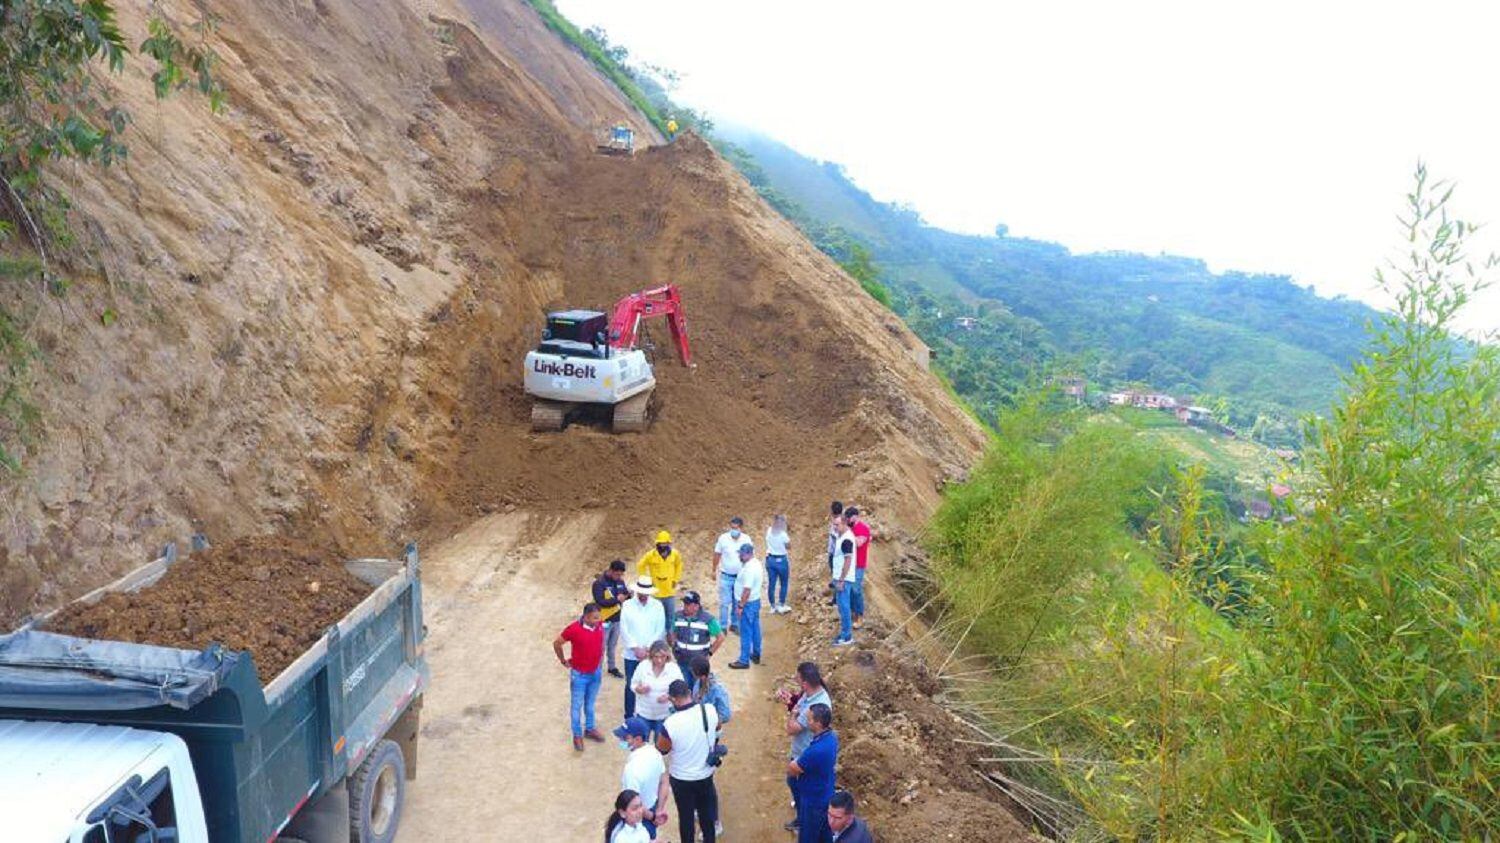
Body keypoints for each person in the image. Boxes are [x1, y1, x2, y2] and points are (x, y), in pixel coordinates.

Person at [658, 680, 720, 842]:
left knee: (686, 818)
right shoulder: (709, 710)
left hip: (681, 778)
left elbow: (662, 748)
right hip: (705, 774)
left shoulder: (671, 723)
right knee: (707, 817)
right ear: (689, 693)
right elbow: (718, 727)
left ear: (673, 699)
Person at [777, 661, 832, 831]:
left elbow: (792, 729)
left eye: (797, 678)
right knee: (797, 783)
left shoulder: (815, 705)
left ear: (806, 683)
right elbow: (800, 704)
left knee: (794, 780)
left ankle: (803, 820)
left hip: (805, 752)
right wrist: (791, 701)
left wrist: (792, 714)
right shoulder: (811, 693)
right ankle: (803, 810)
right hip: (804, 749)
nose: (795, 679)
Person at [553, 602, 607, 751]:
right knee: (576, 706)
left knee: (590, 704)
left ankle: (589, 729)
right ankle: (577, 735)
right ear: (586, 617)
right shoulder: (573, 629)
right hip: (580, 675)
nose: (598, 620)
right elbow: (557, 643)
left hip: (595, 672)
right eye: (595, 618)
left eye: (599, 617)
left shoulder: (599, 625)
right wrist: (563, 660)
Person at [788, 703, 839, 843]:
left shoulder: (816, 751)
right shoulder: (832, 737)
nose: (807, 721)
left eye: (809, 719)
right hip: (826, 794)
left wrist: (795, 761)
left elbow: (792, 770)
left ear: (818, 723)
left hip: (813, 800)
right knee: (824, 835)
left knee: (808, 836)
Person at [619, 575, 667, 718]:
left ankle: (646, 714)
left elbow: (660, 629)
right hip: (631, 653)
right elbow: (624, 628)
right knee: (631, 684)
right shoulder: (627, 605)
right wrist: (635, 648)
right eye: (641, 593)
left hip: (651, 654)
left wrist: (648, 649)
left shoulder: (657, 606)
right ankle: (629, 715)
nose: (644, 596)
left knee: (651, 683)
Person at [615, 716, 671, 838]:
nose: (621, 739)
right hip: (653, 807)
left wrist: (653, 817)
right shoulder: (655, 752)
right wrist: (659, 809)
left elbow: (631, 804)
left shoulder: (631, 770)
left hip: (640, 818)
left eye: (625, 737)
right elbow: (664, 782)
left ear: (638, 739)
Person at [631, 640, 684, 739]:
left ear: (667, 656)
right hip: (643, 713)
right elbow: (633, 684)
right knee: (642, 745)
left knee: (659, 747)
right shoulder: (643, 666)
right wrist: (639, 689)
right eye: (656, 656)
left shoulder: (673, 669)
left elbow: (681, 689)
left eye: (662, 657)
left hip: (664, 715)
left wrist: (669, 697)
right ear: (651, 655)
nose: (659, 660)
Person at [668, 591, 725, 678]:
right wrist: (674, 646)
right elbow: (673, 632)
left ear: (696, 606)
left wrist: (709, 654)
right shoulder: (678, 616)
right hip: (682, 661)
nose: (684, 607)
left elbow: (720, 637)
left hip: (699, 664)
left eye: (687, 604)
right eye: (684, 604)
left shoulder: (708, 620)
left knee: (698, 688)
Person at [711, 517, 751, 633]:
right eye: (732, 528)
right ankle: (723, 626)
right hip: (726, 576)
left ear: (741, 528)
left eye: (736, 528)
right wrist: (714, 570)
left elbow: (749, 557)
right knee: (724, 602)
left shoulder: (746, 539)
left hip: (740, 577)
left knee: (737, 601)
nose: (734, 530)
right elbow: (717, 554)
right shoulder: (723, 539)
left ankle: (735, 624)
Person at [728, 543, 764, 669]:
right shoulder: (755, 563)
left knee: (745, 631)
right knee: (755, 628)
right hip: (754, 602)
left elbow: (747, 590)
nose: (740, 556)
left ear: (748, 554)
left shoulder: (749, 568)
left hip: (747, 604)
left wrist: (740, 606)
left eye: (741, 554)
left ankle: (744, 660)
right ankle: (756, 653)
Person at [593, 560, 631, 677]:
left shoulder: (620, 581)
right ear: (610, 570)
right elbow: (600, 601)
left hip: (617, 619)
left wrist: (629, 595)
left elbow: (625, 595)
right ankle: (597, 669)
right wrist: (617, 599)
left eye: (620, 575)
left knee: (612, 645)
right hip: (604, 620)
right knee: (601, 646)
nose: (619, 577)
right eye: (617, 574)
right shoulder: (599, 583)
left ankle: (611, 667)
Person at [638, 531, 685, 621]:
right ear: (657, 543)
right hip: (656, 593)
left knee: (670, 617)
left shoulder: (675, 554)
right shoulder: (651, 555)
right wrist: (645, 580)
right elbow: (640, 565)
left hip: (669, 591)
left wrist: (675, 579)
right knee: (656, 617)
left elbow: (679, 565)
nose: (663, 546)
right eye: (661, 543)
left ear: (668, 543)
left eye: (665, 543)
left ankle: (670, 633)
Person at [831, 513, 858, 646]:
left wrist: (841, 580)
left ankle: (846, 636)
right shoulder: (842, 536)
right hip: (841, 578)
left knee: (844, 607)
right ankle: (845, 634)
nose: (834, 527)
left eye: (837, 525)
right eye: (834, 525)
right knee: (843, 606)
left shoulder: (846, 539)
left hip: (843, 579)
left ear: (844, 523)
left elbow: (848, 560)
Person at [689, 655, 733, 734]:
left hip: (711, 729)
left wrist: (712, 723)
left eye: (693, 672)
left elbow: (726, 714)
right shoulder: (699, 682)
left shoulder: (717, 689)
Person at [844, 508, 872, 629]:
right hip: (849, 563)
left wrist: (848, 532)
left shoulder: (863, 529)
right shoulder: (850, 529)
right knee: (849, 589)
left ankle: (859, 615)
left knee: (856, 589)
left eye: (848, 518)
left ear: (854, 517)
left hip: (859, 565)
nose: (847, 520)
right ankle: (852, 613)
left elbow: (858, 543)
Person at [766, 513, 792, 613]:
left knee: (771, 584)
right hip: (781, 561)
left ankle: (772, 606)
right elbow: (789, 546)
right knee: (784, 583)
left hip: (770, 560)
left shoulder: (769, 530)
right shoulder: (783, 534)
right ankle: (781, 604)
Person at [825, 501, 844, 605]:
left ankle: (836, 599)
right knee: (835, 574)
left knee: (836, 575)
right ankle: (836, 596)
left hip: (835, 554)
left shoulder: (837, 523)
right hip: (835, 553)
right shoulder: (840, 521)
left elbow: (835, 537)